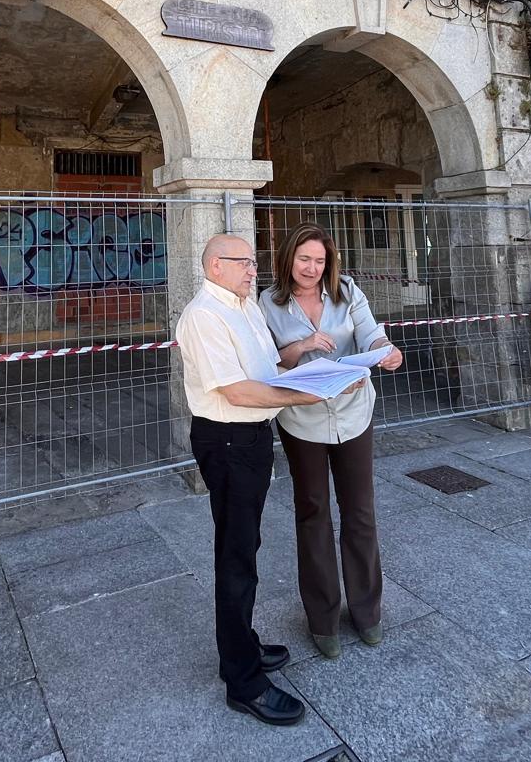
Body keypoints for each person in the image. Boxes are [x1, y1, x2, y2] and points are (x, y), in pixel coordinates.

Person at [175, 234, 363, 727]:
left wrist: (305, 356)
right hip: (229, 440)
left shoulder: (243, 307)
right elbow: (236, 391)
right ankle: (243, 680)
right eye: (242, 262)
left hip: (252, 439)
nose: (252, 269)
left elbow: (268, 367)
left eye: (253, 261)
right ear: (215, 265)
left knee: (248, 545)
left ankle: (245, 645)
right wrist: (310, 397)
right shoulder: (203, 316)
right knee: (236, 557)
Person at [258, 222, 402, 659]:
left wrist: (386, 350)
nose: (312, 268)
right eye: (305, 259)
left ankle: (367, 611)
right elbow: (266, 360)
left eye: (320, 261)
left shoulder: (347, 291)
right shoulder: (269, 302)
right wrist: (300, 346)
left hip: (354, 412)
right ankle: (322, 618)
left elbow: (371, 333)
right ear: (288, 259)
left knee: (360, 511)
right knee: (312, 511)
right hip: (302, 418)